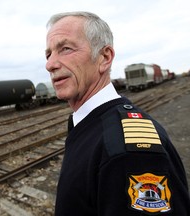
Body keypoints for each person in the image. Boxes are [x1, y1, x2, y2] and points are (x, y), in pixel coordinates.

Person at [45, 11, 190, 216]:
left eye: (65, 48)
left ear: (104, 57)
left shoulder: (129, 149)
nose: (50, 64)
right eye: (48, 53)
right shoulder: (92, 126)